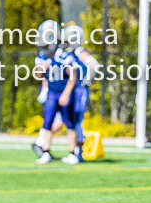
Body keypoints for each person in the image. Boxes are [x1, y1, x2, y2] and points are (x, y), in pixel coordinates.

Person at [32, 20, 78, 165]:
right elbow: (37, 76)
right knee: (47, 123)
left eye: (45, 44)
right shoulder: (42, 58)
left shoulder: (62, 56)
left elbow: (73, 75)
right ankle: (45, 152)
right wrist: (42, 68)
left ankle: (73, 153)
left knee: (70, 123)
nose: (43, 48)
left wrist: (66, 93)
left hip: (63, 92)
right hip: (51, 93)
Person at [62, 24, 100, 163]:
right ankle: (77, 153)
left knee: (77, 121)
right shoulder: (72, 53)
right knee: (74, 121)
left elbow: (94, 65)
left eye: (67, 41)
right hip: (75, 89)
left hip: (80, 90)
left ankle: (77, 153)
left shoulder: (79, 51)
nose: (65, 44)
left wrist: (86, 80)